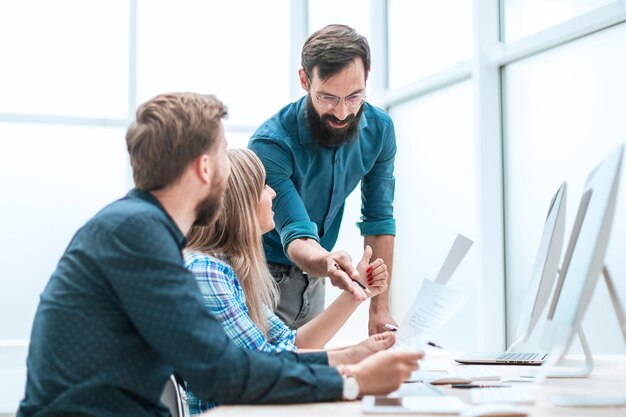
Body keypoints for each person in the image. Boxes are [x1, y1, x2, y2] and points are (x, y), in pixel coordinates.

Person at [16, 93, 422, 417]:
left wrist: (351, 360)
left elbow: (227, 362)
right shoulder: (137, 235)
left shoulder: (138, 229)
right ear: (205, 167)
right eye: (225, 154)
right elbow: (222, 372)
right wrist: (350, 381)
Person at [184, 148, 397, 414]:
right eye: (263, 186)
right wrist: (354, 360)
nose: (272, 193)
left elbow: (292, 344)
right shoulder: (206, 273)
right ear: (241, 203)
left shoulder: (227, 269)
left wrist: (357, 291)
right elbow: (264, 363)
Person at [249, 24, 398, 335]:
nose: (343, 113)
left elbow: (379, 219)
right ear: (305, 80)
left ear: (367, 76)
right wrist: (328, 262)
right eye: (328, 98)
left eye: (355, 97)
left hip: (316, 278)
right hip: (264, 277)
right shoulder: (271, 143)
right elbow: (296, 233)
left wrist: (380, 308)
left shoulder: (380, 130)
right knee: (270, 376)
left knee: (308, 376)